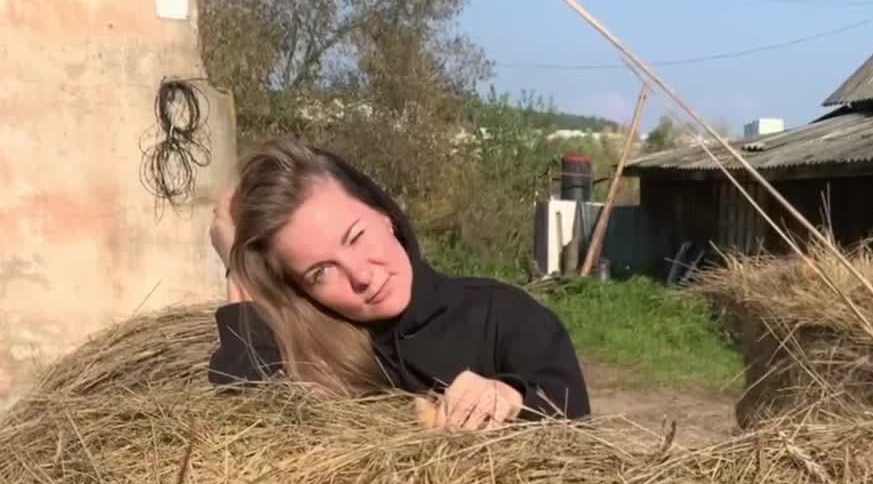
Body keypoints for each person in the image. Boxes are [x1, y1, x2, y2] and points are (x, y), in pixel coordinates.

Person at [207, 137, 590, 429]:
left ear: (384, 214)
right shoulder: (314, 354)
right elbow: (248, 430)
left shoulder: (503, 315)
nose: (360, 275)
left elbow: (574, 424)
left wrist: (508, 396)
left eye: (356, 237)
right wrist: (238, 268)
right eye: (320, 273)